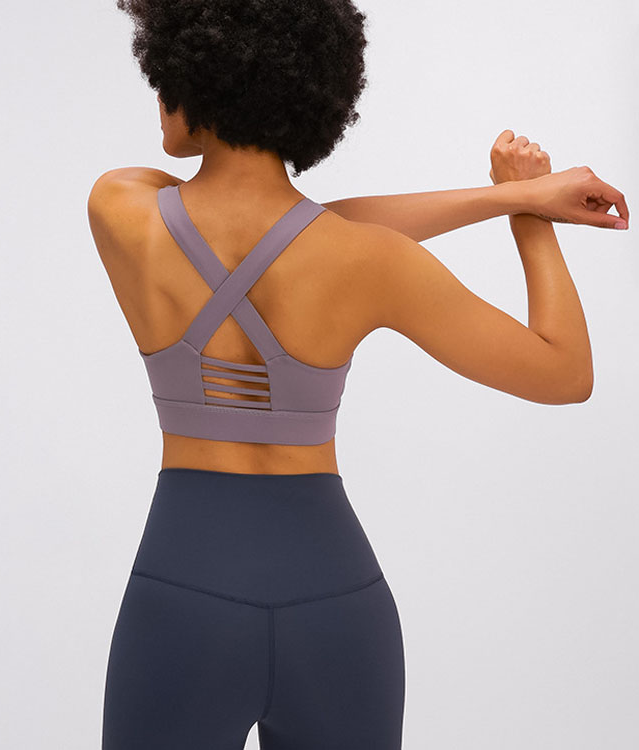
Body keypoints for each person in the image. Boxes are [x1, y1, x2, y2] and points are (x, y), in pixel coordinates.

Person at [87, 2, 629, 749]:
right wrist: (526, 211)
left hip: (185, 597)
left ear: (195, 75)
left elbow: (291, 227)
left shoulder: (121, 208)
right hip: (336, 604)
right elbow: (565, 372)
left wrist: (517, 198)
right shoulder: (364, 259)